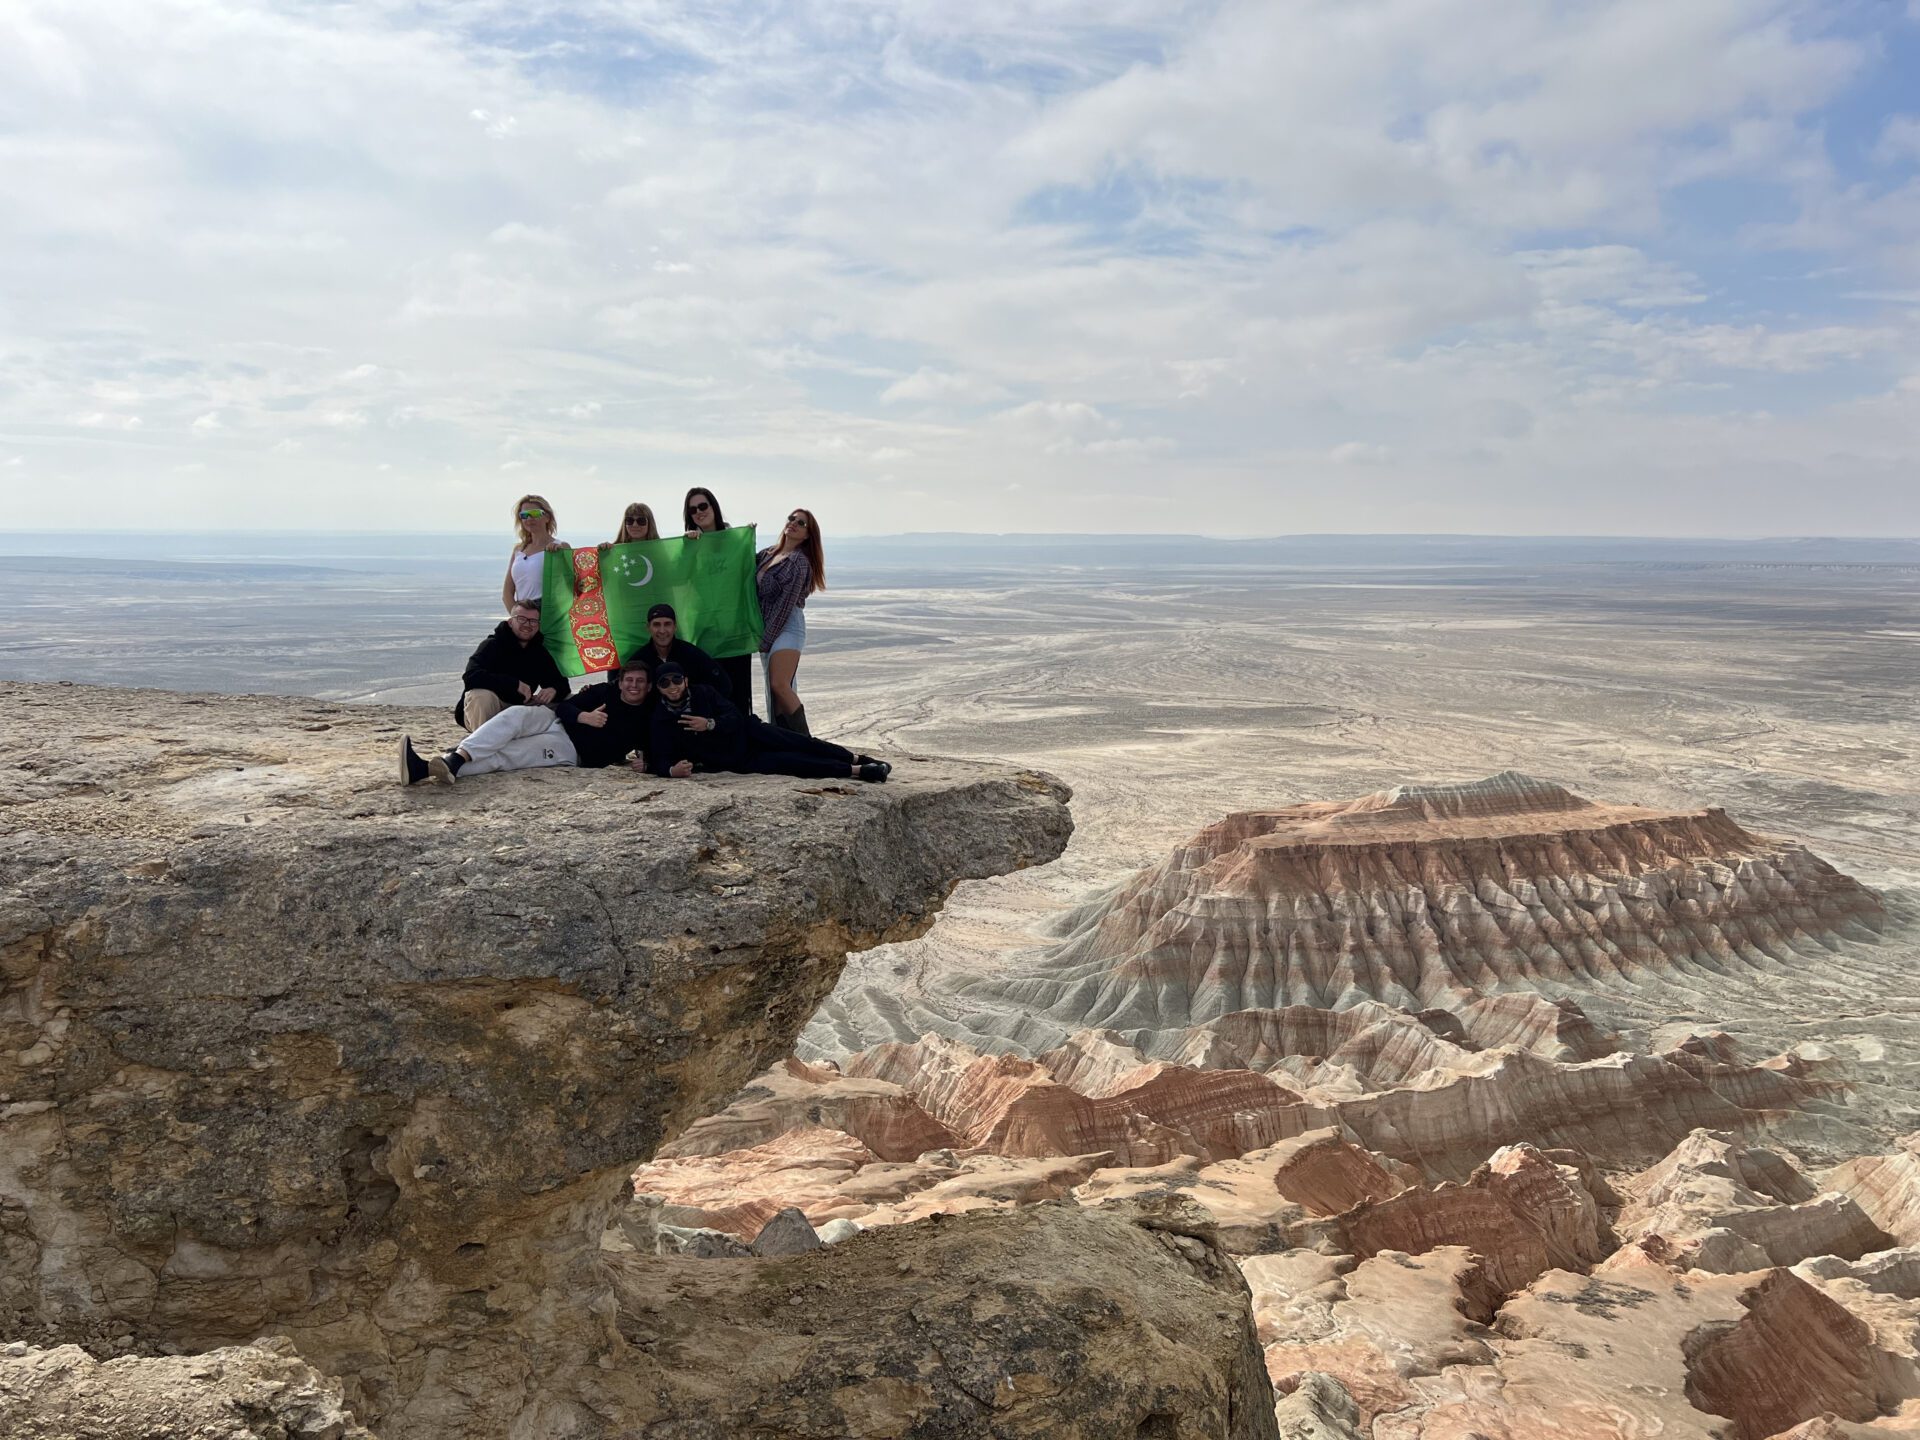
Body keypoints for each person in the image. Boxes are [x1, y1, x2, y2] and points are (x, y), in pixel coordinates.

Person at [401, 665, 652, 784]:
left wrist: (647, 761)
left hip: (571, 750)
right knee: (516, 716)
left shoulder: (645, 718)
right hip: (557, 721)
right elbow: (566, 706)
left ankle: (423, 770)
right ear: (620, 682)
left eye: (640, 682)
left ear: (648, 687)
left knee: (508, 754)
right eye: (628, 680)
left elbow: (654, 745)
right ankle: (457, 757)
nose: (633, 685)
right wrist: (583, 717)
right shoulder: (603, 692)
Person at [645, 662, 887, 782]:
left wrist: (710, 724)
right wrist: (670, 770)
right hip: (739, 759)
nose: (672, 686)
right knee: (791, 762)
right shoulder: (662, 719)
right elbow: (660, 754)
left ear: (685, 681)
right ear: (658, 688)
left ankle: (857, 758)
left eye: (676, 679)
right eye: (664, 683)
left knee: (800, 743)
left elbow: (734, 716)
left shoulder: (704, 693)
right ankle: (859, 772)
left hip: (750, 733)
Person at [680, 486, 755, 713]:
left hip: (734, 631)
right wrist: (686, 547)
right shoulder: (690, 545)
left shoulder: (734, 540)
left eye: (703, 506)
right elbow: (677, 575)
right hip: (705, 631)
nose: (699, 512)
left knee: (739, 692)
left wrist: (746, 538)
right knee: (710, 692)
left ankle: (742, 744)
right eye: (693, 510)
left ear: (714, 507)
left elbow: (747, 574)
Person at [756, 507, 825, 735]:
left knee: (779, 685)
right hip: (768, 624)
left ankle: (806, 741)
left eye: (801, 523)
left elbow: (785, 605)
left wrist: (766, 639)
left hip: (788, 626)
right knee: (774, 694)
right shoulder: (767, 554)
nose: (793, 523)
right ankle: (787, 741)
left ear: (807, 535)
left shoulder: (799, 562)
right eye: (791, 518)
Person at [454, 599, 571, 731]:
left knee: (570, 700)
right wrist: (514, 684)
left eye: (533, 621)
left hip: (519, 708)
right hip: (489, 707)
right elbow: (471, 677)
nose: (527, 624)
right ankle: (481, 747)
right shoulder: (492, 645)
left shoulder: (539, 651)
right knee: (481, 695)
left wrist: (553, 689)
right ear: (510, 622)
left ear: (538, 625)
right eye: (521, 619)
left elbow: (562, 684)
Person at [633, 602, 731, 698]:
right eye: (656, 625)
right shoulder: (640, 659)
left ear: (675, 627)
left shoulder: (692, 654)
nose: (662, 630)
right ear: (648, 627)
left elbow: (723, 685)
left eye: (667, 624)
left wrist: (704, 711)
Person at [503, 494, 568, 614]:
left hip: (550, 615)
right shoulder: (518, 550)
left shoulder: (561, 547)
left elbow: (572, 584)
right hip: (523, 617)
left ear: (547, 517)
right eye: (524, 515)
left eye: (535, 513)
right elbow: (507, 592)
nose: (529, 519)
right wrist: (518, 618)